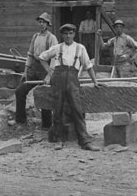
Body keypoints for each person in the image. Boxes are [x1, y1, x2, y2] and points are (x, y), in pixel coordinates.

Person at [38, 23, 103, 151]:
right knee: (58, 110)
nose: (68, 36)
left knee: (77, 110)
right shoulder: (57, 48)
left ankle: (85, 142)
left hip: (73, 80)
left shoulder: (80, 48)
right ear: (62, 35)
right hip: (58, 80)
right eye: (65, 34)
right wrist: (50, 72)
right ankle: (58, 140)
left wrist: (95, 81)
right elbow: (42, 57)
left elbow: (88, 66)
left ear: (74, 34)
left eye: (70, 33)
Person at [14, 12, 58, 125]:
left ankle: (47, 125)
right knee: (20, 91)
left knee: (44, 96)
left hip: (45, 69)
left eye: (44, 22)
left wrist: (49, 75)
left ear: (48, 24)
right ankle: (20, 120)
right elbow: (29, 55)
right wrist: (25, 72)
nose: (41, 24)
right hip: (34, 69)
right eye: (40, 22)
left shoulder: (52, 38)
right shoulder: (35, 36)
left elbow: (54, 59)